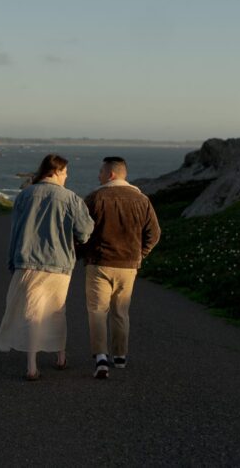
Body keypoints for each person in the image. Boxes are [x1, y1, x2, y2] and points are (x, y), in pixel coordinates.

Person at [0, 153, 94, 380]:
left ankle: (32, 366)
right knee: (56, 309)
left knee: (32, 312)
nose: (67, 176)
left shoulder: (24, 196)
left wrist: (11, 262)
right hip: (59, 265)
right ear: (55, 171)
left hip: (27, 262)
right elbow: (85, 231)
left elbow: (15, 232)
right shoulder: (71, 198)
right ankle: (61, 357)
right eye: (65, 171)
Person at [81, 156, 161, 379]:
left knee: (97, 311)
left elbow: (81, 231)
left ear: (111, 174)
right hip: (128, 266)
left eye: (101, 172)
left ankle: (100, 357)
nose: (99, 176)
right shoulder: (142, 199)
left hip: (99, 263)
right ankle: (120, 356)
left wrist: (80, 253)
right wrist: (140, 255)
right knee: (121, 312)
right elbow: (154, 234)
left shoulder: (95, 197)